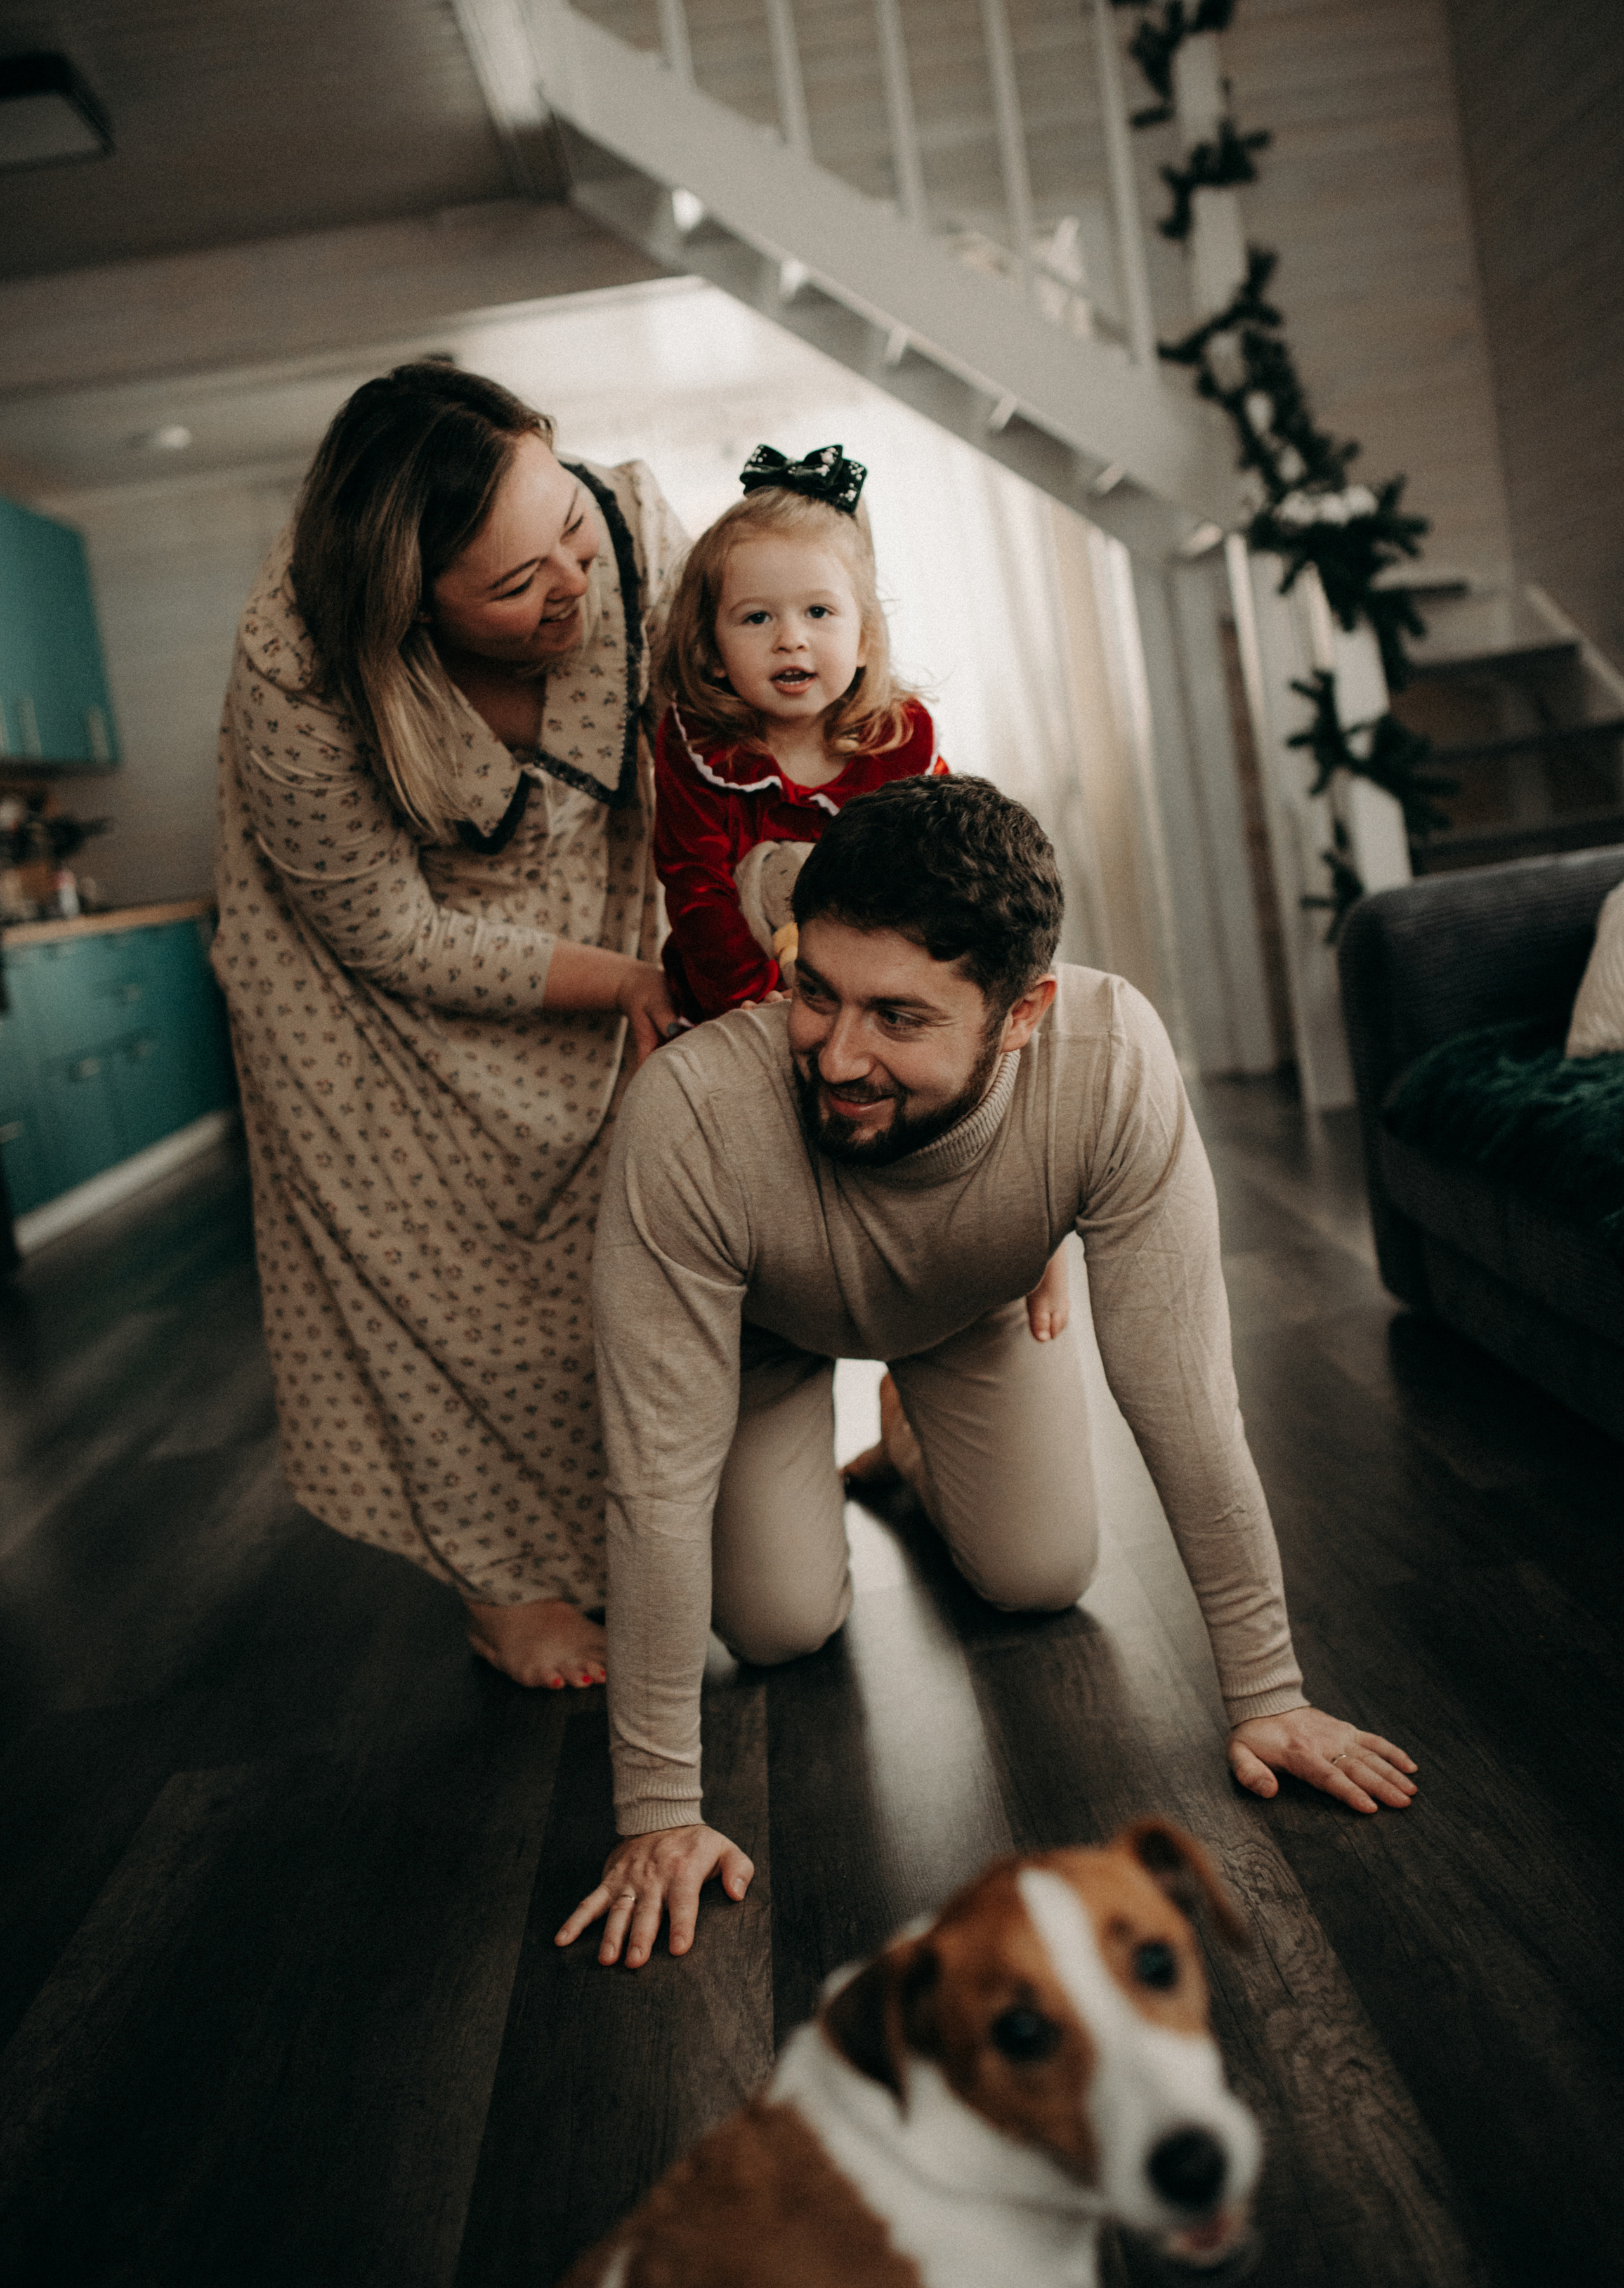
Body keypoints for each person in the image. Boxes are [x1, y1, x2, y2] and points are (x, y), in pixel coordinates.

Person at [559, 774, 1418, 1969]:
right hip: (760, 1329)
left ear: (1023, 1014)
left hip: (969, 1305)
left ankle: (910, 1425)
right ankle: (836, 1425)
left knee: (1041, 1574)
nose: (839, 1054)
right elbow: (655, 1481)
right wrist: (657, 1813)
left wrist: (1268, 1691)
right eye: (817, 992)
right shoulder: (692, 1115)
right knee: (777, 1625)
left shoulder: (1110, 1059)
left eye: (900, 1018)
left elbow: (1185, 1398)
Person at [213, 362, 687, 1692]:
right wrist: (626, 983)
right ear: (403, 609)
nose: (572, 592)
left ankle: (660, 1521)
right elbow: (383, 928)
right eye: (515, 585)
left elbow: (732, 724)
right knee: (444, 1286)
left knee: (635, 1251)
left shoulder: (635, 531)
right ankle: (506, 1587)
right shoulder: (298, 665)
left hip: (603, 900)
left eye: (571, 541)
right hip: (370, 997)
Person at [652, 440, 1068, 1347]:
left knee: (974, 1077)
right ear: (713, 649)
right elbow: (694, 888)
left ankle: (1030, 1238)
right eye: (756, 617)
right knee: (720, 1144)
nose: (791, 638)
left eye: (818, 612)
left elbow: (950, 888)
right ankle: (742, 1306)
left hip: (877, 999)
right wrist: (760, 1009)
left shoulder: (900, 743)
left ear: (864, 635)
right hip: (747, 998)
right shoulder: (700, 751)